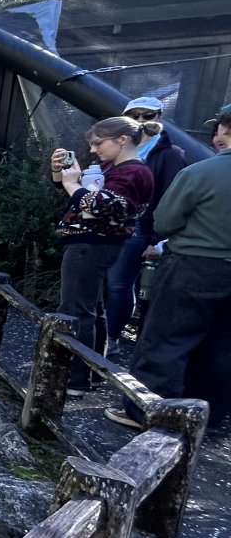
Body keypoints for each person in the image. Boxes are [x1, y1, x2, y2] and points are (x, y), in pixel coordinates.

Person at [106, 107, 231, 430]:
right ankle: (208, 416)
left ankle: (149, 412)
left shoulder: (201, 173)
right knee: (222, 345)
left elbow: (165, 221)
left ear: (226, 130)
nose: (215, 136)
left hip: (194, 264)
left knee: (167, 339)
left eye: (218, 129)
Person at [50, 116, 155, 398]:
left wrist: (73, 184)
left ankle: (74, 379)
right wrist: (62, 176)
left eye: (98, 143)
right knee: (91, 309)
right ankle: (91, 374)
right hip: (95, 244)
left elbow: (100, 206)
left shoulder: (133, 172)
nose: (94, 149)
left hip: (92, 245)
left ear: (122, 140)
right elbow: (79, 196)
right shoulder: (117, 168)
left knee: (75, 310)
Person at [102, 95, 187, 360]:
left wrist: (158, 238)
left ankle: (110, 339)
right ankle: (102, 337)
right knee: (107, 283)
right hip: (109, 222)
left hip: (140, 226)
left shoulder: (171, 154)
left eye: (147, 115)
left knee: (118, 284)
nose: (140, 121)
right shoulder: (118, 148)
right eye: (134, 115)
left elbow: (170, 197)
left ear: (160, 118)